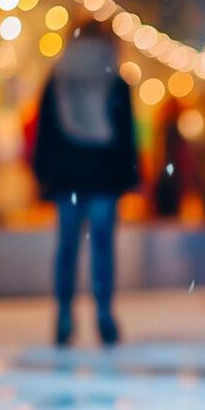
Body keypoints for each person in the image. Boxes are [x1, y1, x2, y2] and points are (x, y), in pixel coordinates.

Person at [32, 19, 137, 347]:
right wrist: (128, 176)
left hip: (67, 177)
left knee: (67, 247)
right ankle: (104, 312)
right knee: (102, 248)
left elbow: (45, 131)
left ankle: (64, 313)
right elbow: (125, 136)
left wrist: (43, 172)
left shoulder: (59, 76)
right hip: (103, 176)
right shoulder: (114, 78)